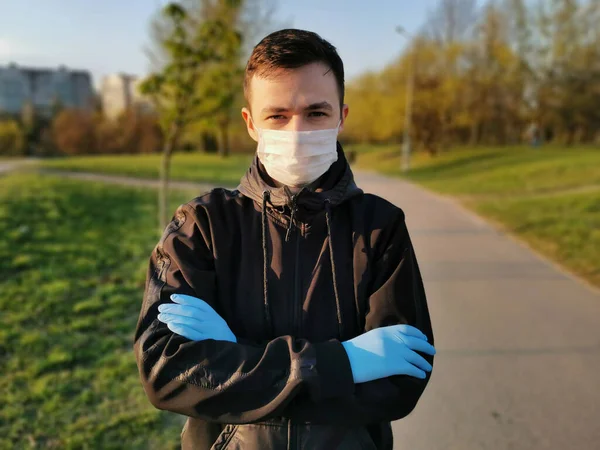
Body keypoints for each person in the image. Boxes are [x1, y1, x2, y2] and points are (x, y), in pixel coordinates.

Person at [133, 29, 436, 450]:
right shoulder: (200, 225)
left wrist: (233, 355)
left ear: (342, 117)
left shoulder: (381, 226)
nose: (297, 132)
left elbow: (401, 383)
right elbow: (166, 373)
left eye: (316, 113)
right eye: (277, 115)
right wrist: (341, 365)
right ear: (250, 122)